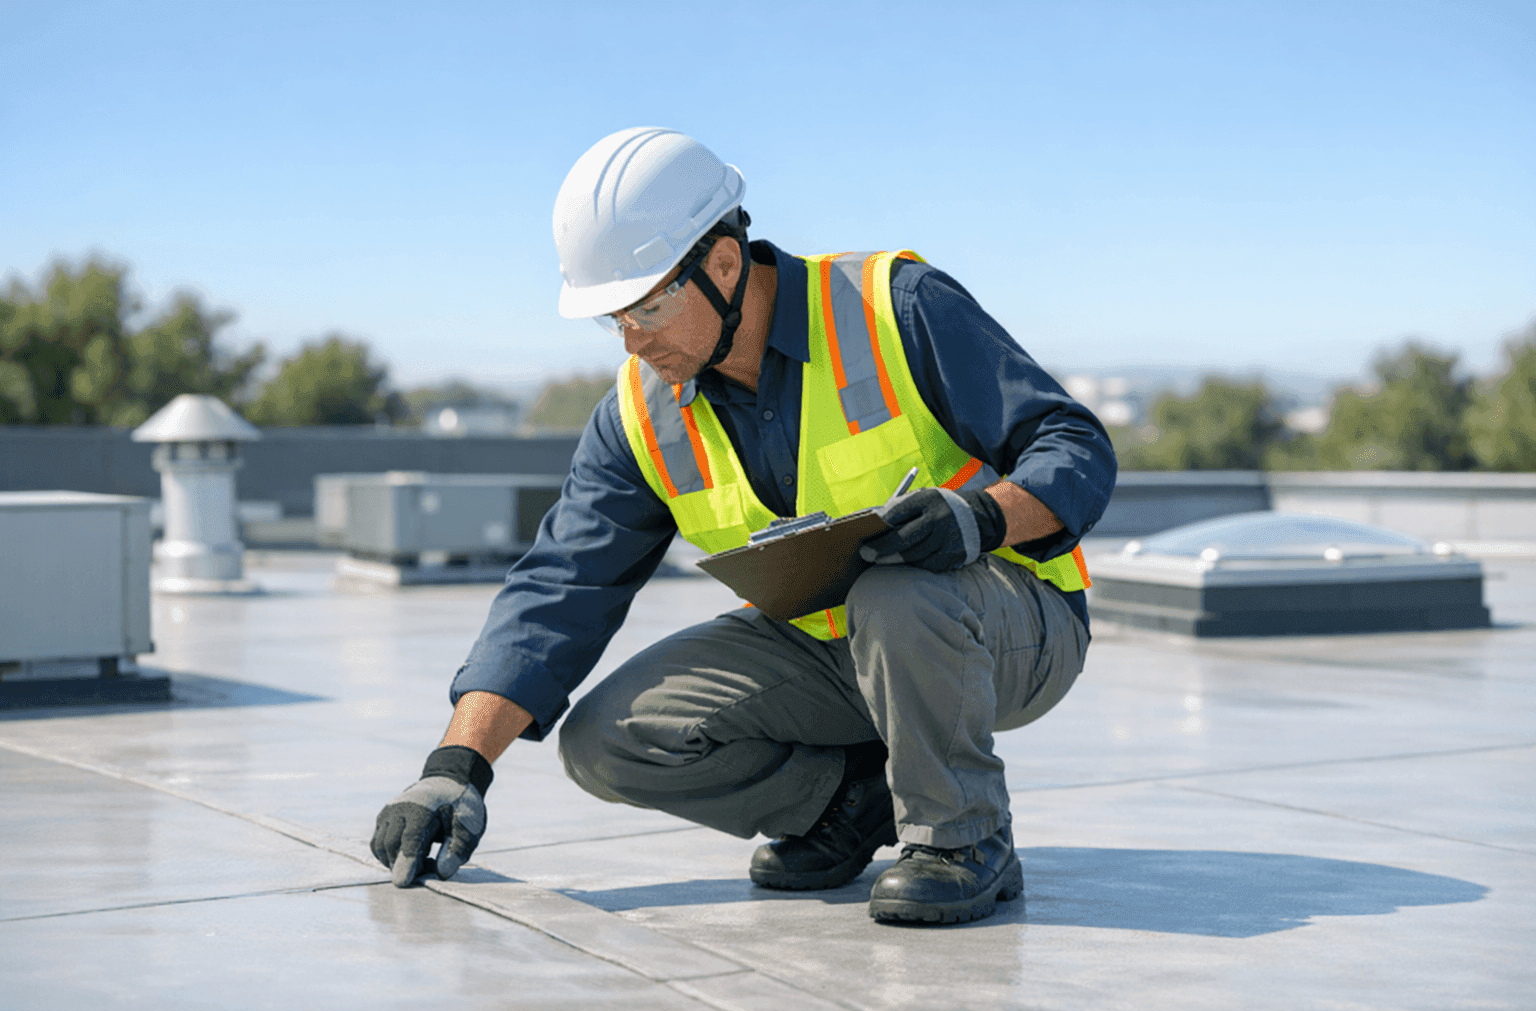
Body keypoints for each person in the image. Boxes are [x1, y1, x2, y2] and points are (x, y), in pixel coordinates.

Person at [371, 127, 1117, 925]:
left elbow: (1075, 446)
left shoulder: (893, 308)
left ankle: (965, 840)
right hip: (836, 652)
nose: (631, 339)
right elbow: (562, 586)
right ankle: (849, 802)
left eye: (647, 306)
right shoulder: (639, 413)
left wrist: (979, 517)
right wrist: (457, 765)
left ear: (723, 264)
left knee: (897, 597)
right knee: (605, 739)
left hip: (1005, 626)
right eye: (612, 318)